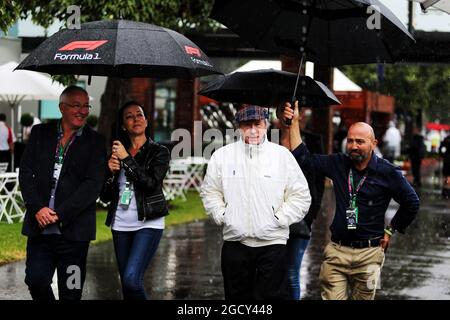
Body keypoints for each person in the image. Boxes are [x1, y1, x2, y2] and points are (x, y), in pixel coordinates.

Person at [280, 101, 420, 300]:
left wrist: (391, 229)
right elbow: (304, 159)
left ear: (374, 144)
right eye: (351, 140)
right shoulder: (339, 163)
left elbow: (412, 202)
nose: (353, 146)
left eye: (360, 142)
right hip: (336, 252)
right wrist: (293, 123)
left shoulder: (387, 172)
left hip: (371, 255)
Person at [200, 104, 311, 300]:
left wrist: (279, 218)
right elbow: (210, 192)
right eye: (246, 125)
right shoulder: (222, 157)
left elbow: (301, 195)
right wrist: (222, 215)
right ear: (238, 128)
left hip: (272, 243)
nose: (252, 130)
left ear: (266, 125)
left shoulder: (281, 156)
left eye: (257, 124)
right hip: (235, 242)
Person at [19, 85, 107, 300]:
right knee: (36, 280)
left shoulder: (95, 142)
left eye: (86, 105)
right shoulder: (41, 133)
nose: (83, 111)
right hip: (39, 231)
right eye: (76, 105)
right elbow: (25, 173)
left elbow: (92, 185)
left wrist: (59, 214)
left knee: (72, 291)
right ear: (62, 108)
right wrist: (37, 208)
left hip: (75, 235)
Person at [100, 101, 170, 300]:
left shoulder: (159, 152)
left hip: (148, 223)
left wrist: (127, 160)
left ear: (147, 121)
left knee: (132, 279)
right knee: (128, 285)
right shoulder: (116, 153)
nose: (135, 119)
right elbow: (104, 197)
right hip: (120, 224)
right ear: (123, 125)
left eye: (139, 115)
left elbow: (150, 184)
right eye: (129, 116)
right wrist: (110, 173)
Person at [279, 107, 325, 300]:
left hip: (299, 221)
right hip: (270, 219)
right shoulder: (267, 141)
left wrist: (311, 214)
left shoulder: (311, 142)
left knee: (291, 272)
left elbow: (318, 182)